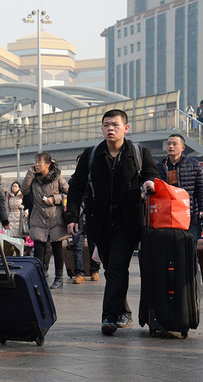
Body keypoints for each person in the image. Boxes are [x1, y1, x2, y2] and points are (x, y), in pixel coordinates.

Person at [66, 109, 157, 335]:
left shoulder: (139, 152)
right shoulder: (91, 154)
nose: (110, 128)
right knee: (110, 269)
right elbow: (76, 186)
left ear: (126, 128)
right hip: (99, 222)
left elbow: (150, 174)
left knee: (117, 265)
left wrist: (148, 183)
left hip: (128, 222)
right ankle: (123, 310)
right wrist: (72, 216)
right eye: (106, 125)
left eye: (115, 124)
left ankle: (108, 316)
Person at [22, 152, 69, 289]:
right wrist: (30, 173)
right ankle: (38, 278)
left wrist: (54, 199)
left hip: (55, 217)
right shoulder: (34, 178)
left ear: (47, 164)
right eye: (35, 162)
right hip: (38, 217)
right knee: (38, 249)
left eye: (39, 162)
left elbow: (68, 192)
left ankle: (59, 278)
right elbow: (24, 190)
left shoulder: (57, 177)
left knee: (57, 248)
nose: (36, 164)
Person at [155, 134, 203, 239]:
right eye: (169, 144)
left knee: (191, 248)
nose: (171, 146)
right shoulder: (160, 167)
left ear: (182, 148)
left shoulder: (193, 164)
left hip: (190, 214)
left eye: (174, 144)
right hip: (168, 215)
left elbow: (201, 189)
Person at [68, 155, 100, 284]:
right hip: (79, 216)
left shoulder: (96, 178)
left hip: (92, 215)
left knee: (94, 244)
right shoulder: (73, 180)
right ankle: (79, 273)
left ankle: (95, 270)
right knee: (78, 245)